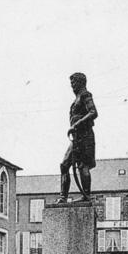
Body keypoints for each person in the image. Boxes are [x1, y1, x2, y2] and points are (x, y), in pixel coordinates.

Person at [57, 72, 98, 203]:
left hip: (85, 136)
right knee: (64, 165)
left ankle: (86, 196)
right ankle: (63, 196)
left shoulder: (86, 95)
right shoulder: (76, 99)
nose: (72, 86)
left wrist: (76, 124)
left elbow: (93, 112)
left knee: (83, 166)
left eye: (73, 83)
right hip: (77, 138)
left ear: (80, 83)